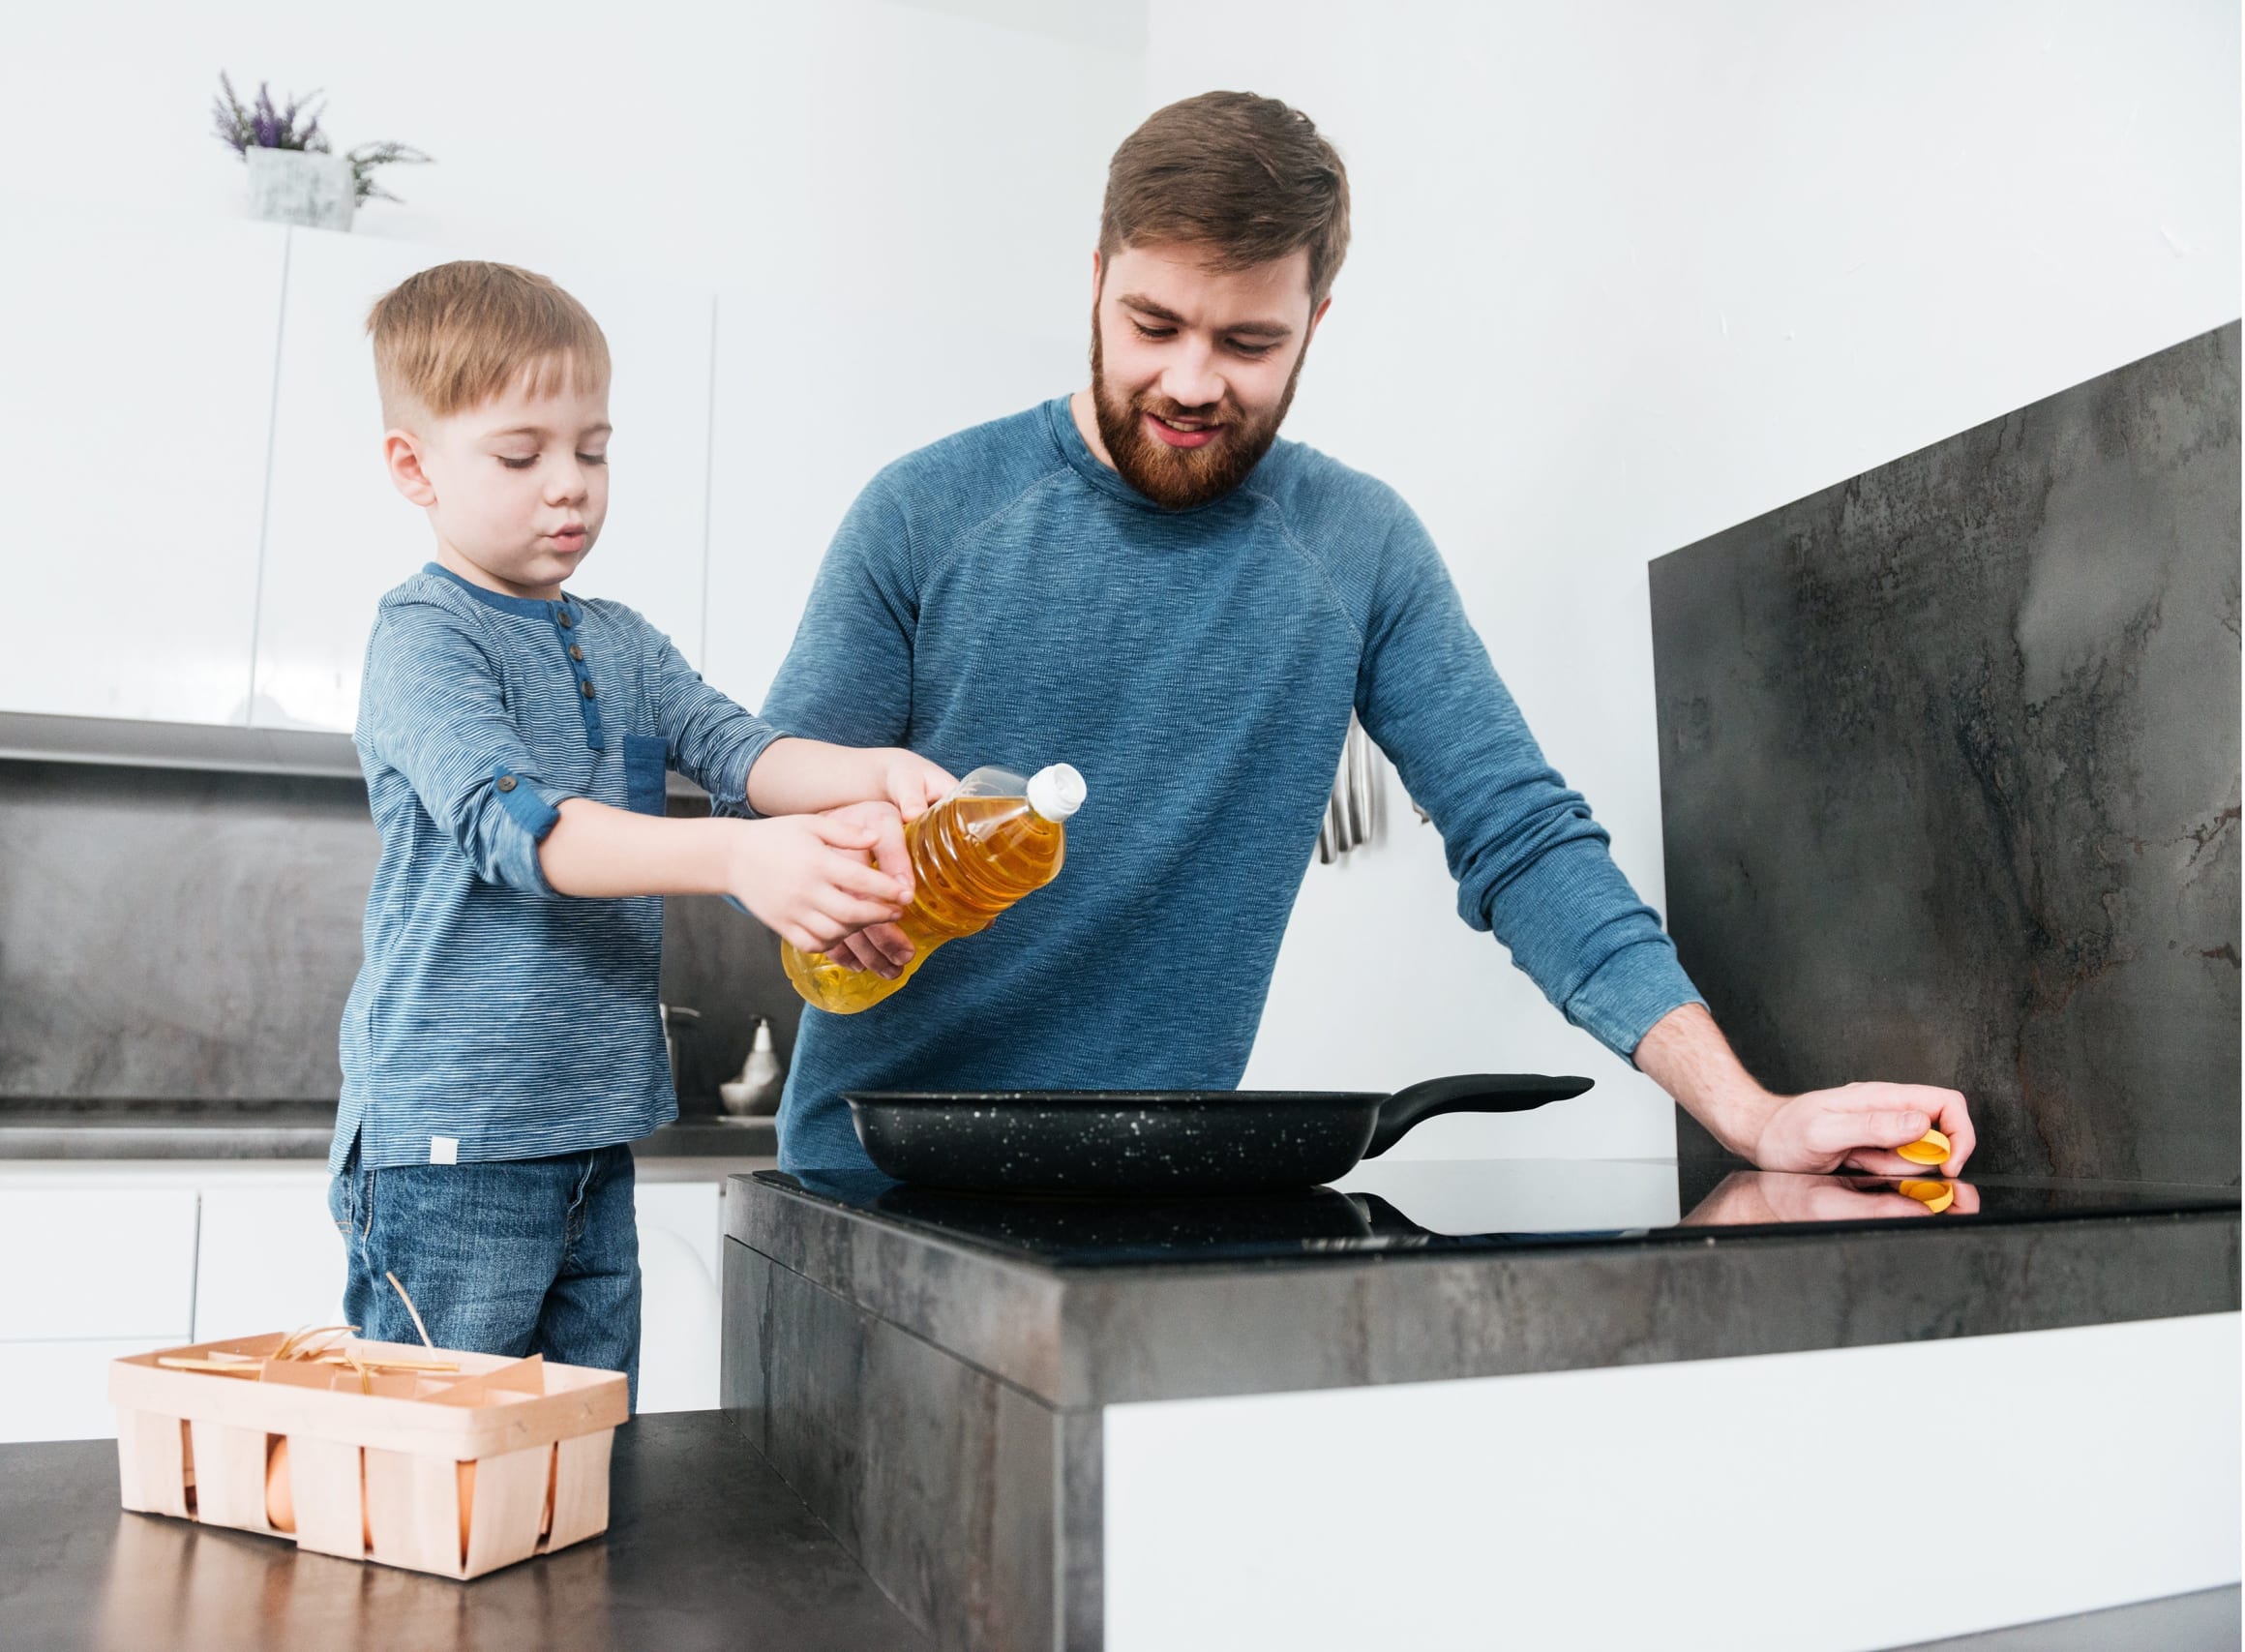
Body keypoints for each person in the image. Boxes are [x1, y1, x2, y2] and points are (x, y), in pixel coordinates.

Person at [759, 93, 1976, 1183]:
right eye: (1152, 324)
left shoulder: (1354, 549)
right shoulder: (927, 514)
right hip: (869, 1182)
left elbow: (1521, 837)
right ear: (1093, 281)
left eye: (1248, 344)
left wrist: (1749, 1115)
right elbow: (759, 816)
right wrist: (829, 875)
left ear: (1314, 322)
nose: (1190, 381)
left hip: (1157, 1195)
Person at [330, 260, 951, 1402]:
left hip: (588, 1131)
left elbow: (743, 752)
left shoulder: (620, 640)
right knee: (442, 1472)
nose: (569, 487)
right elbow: (520, 830)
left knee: (579, 1452)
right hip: (450, 1149)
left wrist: (870, 774)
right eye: (521, 456)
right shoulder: (423, 640)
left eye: (593, 448)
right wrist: (735, 858)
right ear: (412, 467)